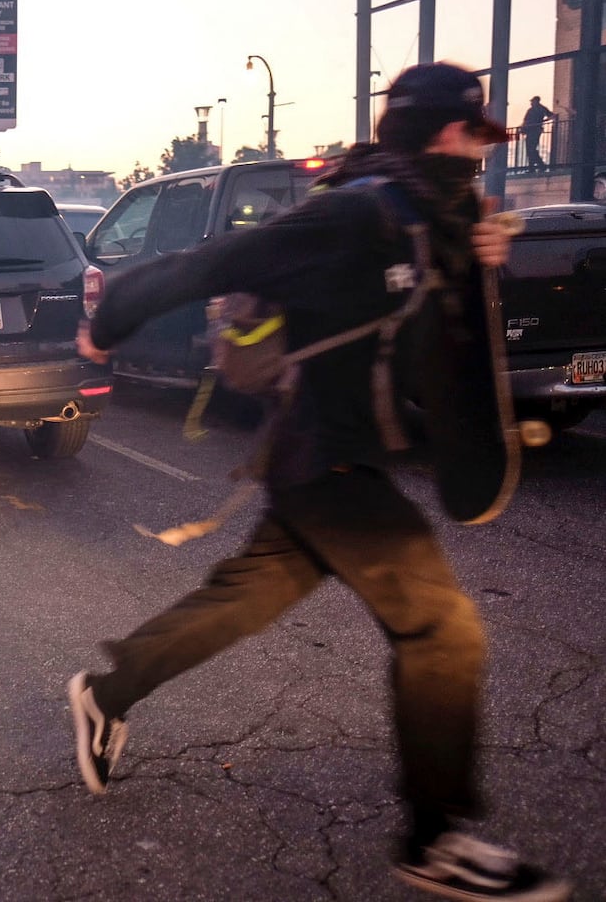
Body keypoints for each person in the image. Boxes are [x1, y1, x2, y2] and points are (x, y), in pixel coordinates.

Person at [66, 63, 570, 902]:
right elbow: (212, 259)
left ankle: (105, 691)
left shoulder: (429, 215)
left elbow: (435, 350)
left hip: (343, 456)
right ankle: (434, 840)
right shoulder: (350, 213)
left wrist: (478, 257)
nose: (481, 154)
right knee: (441, 631)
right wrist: (106, 322)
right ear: (441, 134)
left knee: (239, 602)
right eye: (472, 135)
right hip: (323, 461)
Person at [521, 96, 554, 171]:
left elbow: (526, 121)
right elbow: (551, 115)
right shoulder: (540, 108)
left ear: (536, 101)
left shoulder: (535, 109)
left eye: (532, 101)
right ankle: (536, 166)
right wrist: (543, 121)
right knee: (531, 149)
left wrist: (543, 121)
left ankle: (538, 165)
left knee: (531, 149)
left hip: (533, 131)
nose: (531, 103)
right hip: (533, 130)